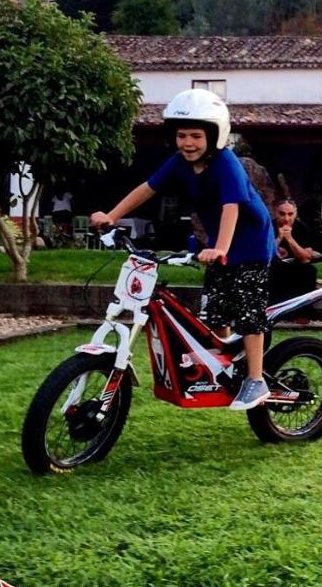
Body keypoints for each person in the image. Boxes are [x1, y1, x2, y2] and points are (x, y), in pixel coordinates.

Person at [92, 88, 275, 410]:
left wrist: (220, 248)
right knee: (216, 311)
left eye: (195, 136)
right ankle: (226, 367)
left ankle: (256, 380)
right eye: (181, 135)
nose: (187, 143)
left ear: (214, 136)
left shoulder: (226, 163)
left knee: (247, 311)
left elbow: (230, 207)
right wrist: (111, 216)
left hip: (250, 244)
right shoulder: (179, 163)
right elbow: (147, 189)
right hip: (219, 245)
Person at [269, 198, 321, 304]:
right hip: (274, 265)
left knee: (309, 270)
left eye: (290, 214)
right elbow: (264, 254)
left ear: (295, 214)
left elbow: (306, 258)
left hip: (296, 265)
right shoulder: (268, 227)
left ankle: (303, 310)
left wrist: (290, 239)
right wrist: (279, 238)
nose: (286, 218)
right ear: (276, 213)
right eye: (282, 214)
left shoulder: (302, 229)